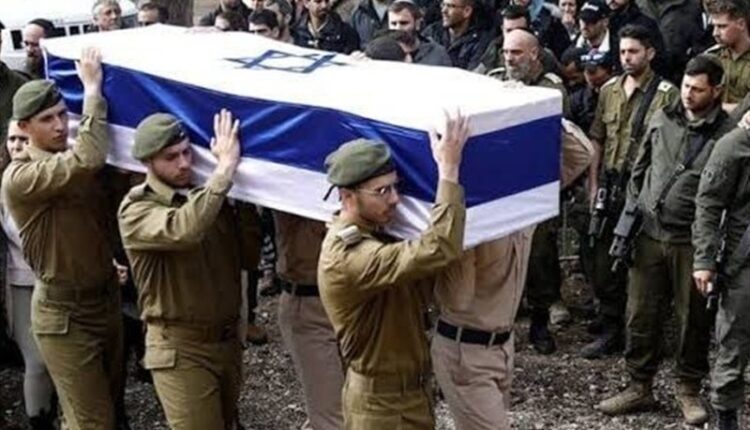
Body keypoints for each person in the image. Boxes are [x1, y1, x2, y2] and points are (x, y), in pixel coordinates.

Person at [596, 55, 733, 426]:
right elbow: (639, 169)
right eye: (686, 86)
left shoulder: (727, 134)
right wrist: (635, 211)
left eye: (698, 89)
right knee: (640, 311)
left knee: (693, 319)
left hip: (692, 240)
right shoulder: (662, 119)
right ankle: (639, 384)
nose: (688, 94)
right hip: (650, 234)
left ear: (716, 91)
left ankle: (688, 387)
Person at [318, 113, 469, 429]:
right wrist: (449, 171)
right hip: (380, 407)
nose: (395, 200)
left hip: (411, 395)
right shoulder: (348, 256)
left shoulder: (375, 233)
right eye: (382, 191)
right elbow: (439, 247)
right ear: (347, 197)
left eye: (395, 187)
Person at [2, 48, 124, 430]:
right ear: (24, 127)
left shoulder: (70, 161)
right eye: (47, 119)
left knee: (111, 410)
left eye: (61, 114)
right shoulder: (21, 177)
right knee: (93, 421)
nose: (59, 125)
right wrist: (92, 91)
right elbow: (87, 159)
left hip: (105, 298)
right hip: (64, 315)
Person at [118, 110, 246, 429]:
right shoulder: (137, 209)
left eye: (187, 152)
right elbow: (183, 229)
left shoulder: (207, 199)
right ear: (147, 162)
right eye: (171, 157)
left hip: (226, 341)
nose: (184, 163)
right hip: (179, 346)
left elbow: (248, 255)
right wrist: (224, 169)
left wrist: (244, 200)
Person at [583, 24, 679, 359]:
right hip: (611, 184)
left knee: (643, 263)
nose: (626, 58)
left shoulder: (667, 94)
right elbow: (598, 137)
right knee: (603, 258)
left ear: (649, 53)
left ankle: (645, 334)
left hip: (646, 187)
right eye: (623, 51)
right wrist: (593, 183)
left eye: (633, 51)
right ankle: (611, 327)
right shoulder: (609, 89)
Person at [1, 121, 56, 429]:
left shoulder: (49, 178)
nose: (16, 145)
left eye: (23, 139)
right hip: (21, 282)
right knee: (36, 362)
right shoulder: (6, 182)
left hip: (56, 281)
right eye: (11, 139)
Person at [274, 212, 344, 430]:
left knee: (360, 404)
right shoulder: (295, 198)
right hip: (310, 302)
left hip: (350, 302)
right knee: (331, 415)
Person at [705, 0, 750, 112]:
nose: (715, 33)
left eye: (722, 26)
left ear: (741, 24)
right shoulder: (711, 57)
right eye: (714, 26)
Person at [422, 0, 493, 70]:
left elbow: (472, 73)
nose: (443, 10)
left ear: (467, 11)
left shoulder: (480, 40)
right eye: (443, 5)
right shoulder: (432, 32)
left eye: (450, 6)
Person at [387, 0, 453, 66]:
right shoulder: (383, 52)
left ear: (417, 24)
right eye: (393, 24)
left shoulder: (438, 54)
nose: (398, 28)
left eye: (404, 23)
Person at [571, 50, 616, 133]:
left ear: (609, 71)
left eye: (592, 72)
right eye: (585, 71)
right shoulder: (578, 99)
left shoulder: (619, 95)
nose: (588, 75)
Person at [294, 0, 360, 54]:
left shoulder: (345, 32)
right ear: (306, 3)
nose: (324, 5)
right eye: (318, 1)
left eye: (326, 1)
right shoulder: (296, 31)